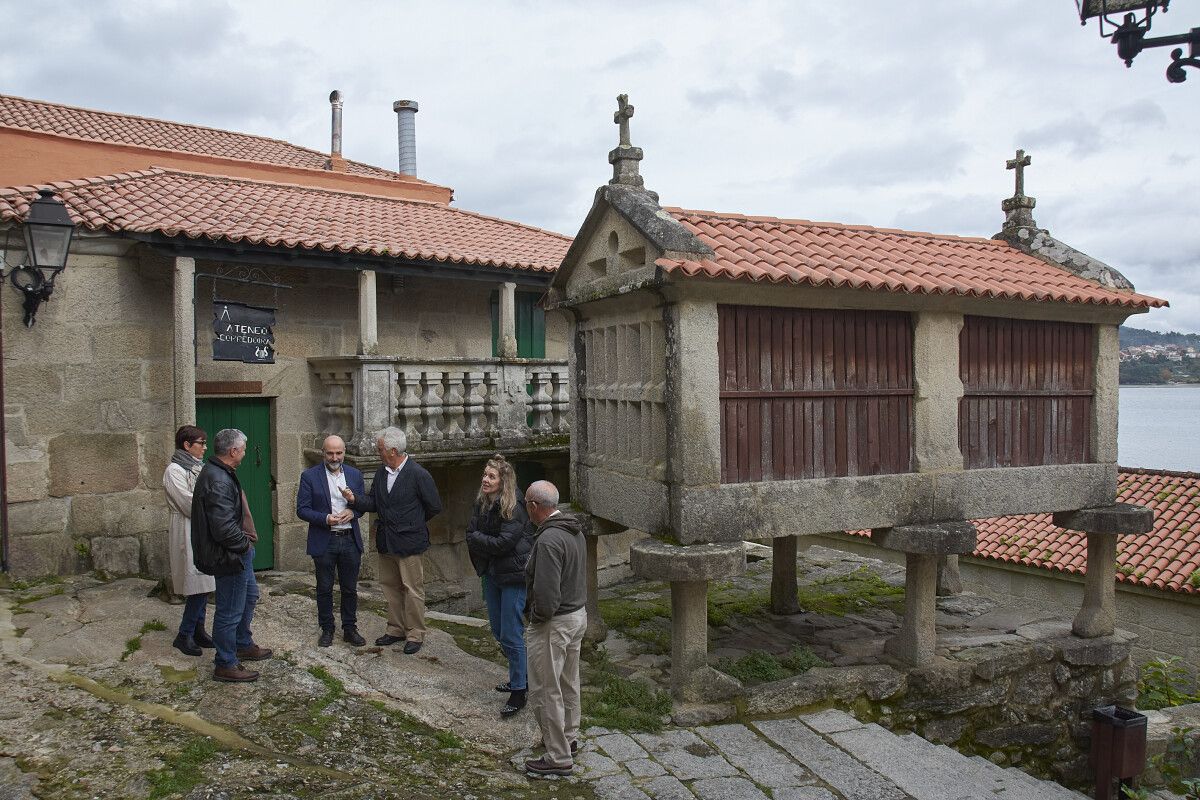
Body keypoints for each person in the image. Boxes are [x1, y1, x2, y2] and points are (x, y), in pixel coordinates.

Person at [341, 426, 442, 654]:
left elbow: (434, 506)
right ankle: (395, 628)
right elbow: (374, 503)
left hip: (410, 542)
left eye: (380, 449)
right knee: (390, 587)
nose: (378, 452)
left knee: (412, 588)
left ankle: (415, 633)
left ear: (393, 450)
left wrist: (413, 522)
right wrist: (354, 498)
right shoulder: (382, 472)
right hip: (386, 540)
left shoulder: (418, 474)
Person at [191, 428, 273, 682]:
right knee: (229, 610)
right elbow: (223, 527)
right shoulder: (218, 479)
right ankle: (225, 663)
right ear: (234, 451)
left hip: (234, 553)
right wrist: (244, 546)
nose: (245, 453)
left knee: (249, 596)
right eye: (244, 449)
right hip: (229, 556)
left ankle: (241, 643)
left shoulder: (219, 472)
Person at [521, 480, 587, 777]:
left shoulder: (548, 541)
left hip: (554, 622)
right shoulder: (574, 531)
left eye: (526, 504)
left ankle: (558, 757)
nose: (525, 509)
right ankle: (569, 739)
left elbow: (546, 594)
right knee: (568, 682)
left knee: (546, 690)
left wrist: (535, 619)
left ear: (535, 506)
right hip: (577, 615)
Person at [465, 454, 533, 718]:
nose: (485, 479)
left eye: (491, 476)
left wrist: (480, 539)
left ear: (503, 481)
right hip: (492, 573)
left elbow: (502, 544)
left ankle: (519, 691)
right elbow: (469, 534)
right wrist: (482, 540)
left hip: (514, 576)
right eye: (484, 474)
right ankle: (523, 675)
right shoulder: (482, 503)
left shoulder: (513, 507)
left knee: (511, 633)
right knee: (497, 629)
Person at [296, 435, 366, 648]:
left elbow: (362, 505)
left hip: (349, 539)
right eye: (330, 453)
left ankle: (349, 628)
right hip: (325, 539)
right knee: (324, 588)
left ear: (344, 452)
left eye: (339, 453)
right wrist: (325, 518)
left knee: (350, 588)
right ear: (323, 453)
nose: (334, 457)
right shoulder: (309, 476)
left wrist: (353, 512)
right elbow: (302, 510)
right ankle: (327, 628)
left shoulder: (355, 475)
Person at [162, 425, 216, 657]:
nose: (205, 447)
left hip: (201, 527)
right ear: (187, 445)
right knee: (197, 584)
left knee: (203, 582)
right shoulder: (174, 470)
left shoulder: (198, 468)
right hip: (187, 527)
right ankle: (184, 634)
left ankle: (198, 629)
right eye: (201, 443)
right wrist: (214, 503)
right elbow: (187, 503)